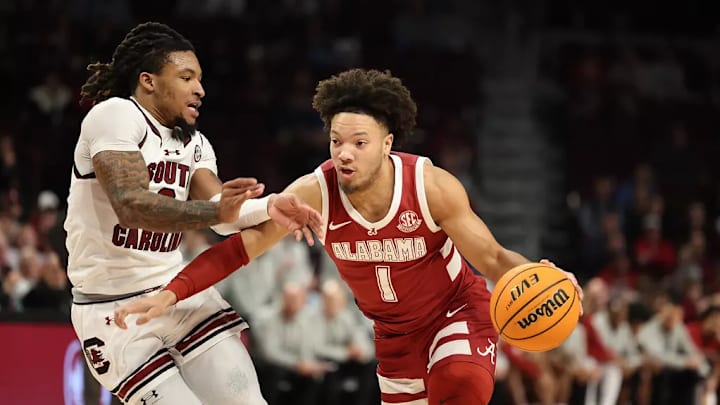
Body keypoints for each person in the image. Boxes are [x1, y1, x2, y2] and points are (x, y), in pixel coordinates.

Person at [114, 68, 582, 405]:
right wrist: (171, 293)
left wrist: (542, 274)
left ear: (387, 143)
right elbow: (241, 249)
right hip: (393, 335)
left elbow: (494, 258)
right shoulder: (313, 193)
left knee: (459, 386)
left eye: (359, 142)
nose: (345, 153)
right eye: (337, 141)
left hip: (455, 313)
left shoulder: (430, 186)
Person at [66, 22, 322, 405]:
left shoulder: (195, 142)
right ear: (148, 81)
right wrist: (215, 209)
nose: (199, 89)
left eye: (200, 79)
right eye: (186, 77)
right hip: (112, 309)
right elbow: (131, 205)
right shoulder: (116, 115)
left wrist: (269, 206)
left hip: (177, 292)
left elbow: (223, 216)